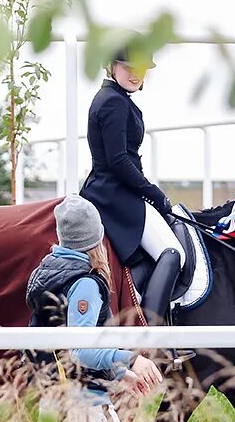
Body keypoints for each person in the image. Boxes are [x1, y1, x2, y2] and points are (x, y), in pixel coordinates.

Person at [25, 195, 163, 422]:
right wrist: (132, 360)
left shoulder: (48, 271)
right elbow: (81, 350)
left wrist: (119, 373)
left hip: (55, 402)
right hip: (85, 407)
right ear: (95, 236)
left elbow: (66, 345)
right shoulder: (84, 283)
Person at [79, 44, 187, 326]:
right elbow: (118, 161)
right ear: (112, 66)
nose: (136, 74)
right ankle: (148, 336)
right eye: (129, 67)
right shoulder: (113, 102)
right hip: (113, 194)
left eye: (140, 68)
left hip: (112, 190)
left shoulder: (114, 98)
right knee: (172, 253)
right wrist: (153, 192)